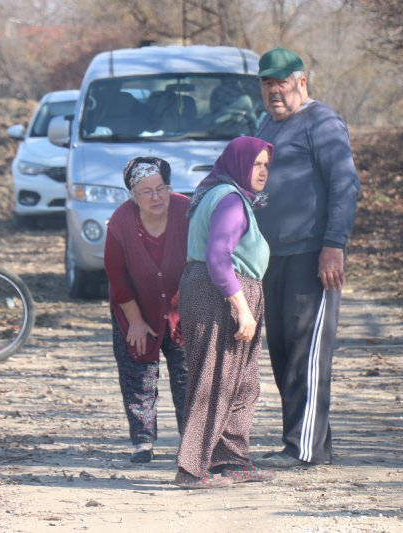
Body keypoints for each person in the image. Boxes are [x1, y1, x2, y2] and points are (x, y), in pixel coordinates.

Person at [253, 48, 360, 469]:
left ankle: (304, 448)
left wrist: (333, 245)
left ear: (301, 81)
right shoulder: (267, 124)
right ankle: (311, 442)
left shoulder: (323, 122)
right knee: (282, 354)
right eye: (266, 83)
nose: (274, 91)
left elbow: (344, 185)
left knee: (306, 353)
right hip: (271, 257)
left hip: (310, 253)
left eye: (281, 82)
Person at [174, 136, 275, 489]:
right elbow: (219, 259)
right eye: (256, 164)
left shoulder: (223, 194)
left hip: (218, 291)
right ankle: (191, 468)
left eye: (265, 164)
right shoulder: (230, 200)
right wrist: (243, 310)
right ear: (237, 164)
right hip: (219, 295)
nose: (262, 171)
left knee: (243, 384)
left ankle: (231, 460)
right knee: (213, 382)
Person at [104, 157, 189, 464]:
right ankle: (143, 440)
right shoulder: (121, 222)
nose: (156, 197)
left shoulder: (186, 211)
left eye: (162, 188)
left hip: (182, 308)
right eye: (146, 191)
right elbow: (116, 276)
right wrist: (136, 321)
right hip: (135, 308)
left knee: (187, 374)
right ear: (132, 195)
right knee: (139, 372)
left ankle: (191, 439)